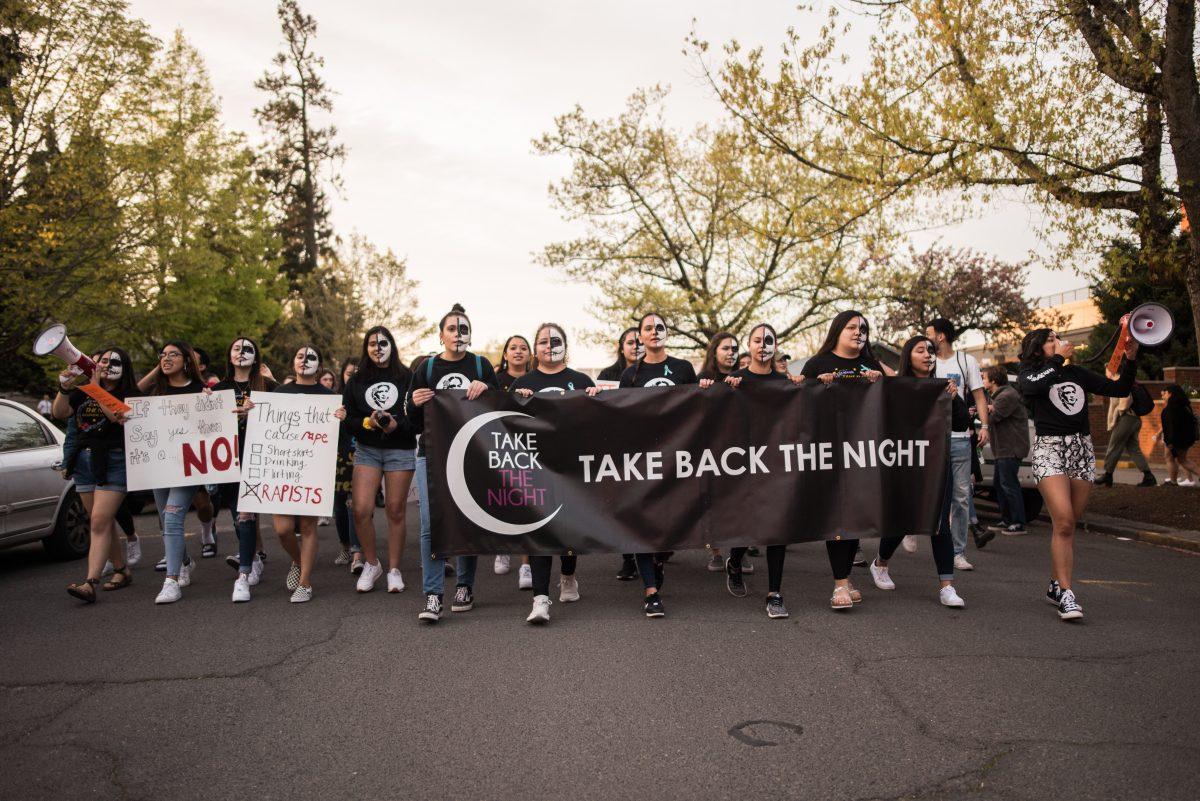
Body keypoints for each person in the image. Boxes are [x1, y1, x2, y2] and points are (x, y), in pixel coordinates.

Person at [1018, 326, 1138, 621]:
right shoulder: (1029, 372)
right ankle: (1067, 595)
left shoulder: (1079, 374)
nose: (1058, 342)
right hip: (1050, 449)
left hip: (1081, 450)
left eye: (1058, 339)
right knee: (1064, 519)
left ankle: (1056, 585)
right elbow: (1032, 388)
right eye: (1051, 340)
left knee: (1069, 525)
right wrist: (1057, 360)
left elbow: (1119, 389)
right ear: (1037, 347)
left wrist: (1131, 359)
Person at [408, 305, 498, 623]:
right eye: (452, 329)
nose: (458, 335)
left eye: (463, 329)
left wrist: (487, 389)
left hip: (470, 454)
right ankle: (433, 595)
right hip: (431, 454)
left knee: (467, 517)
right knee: (431, 523)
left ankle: (464, 585)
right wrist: (414, 404)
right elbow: (412, 419)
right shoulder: (427, 368)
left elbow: (499, 409)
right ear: (441, 335)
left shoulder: (480, 365)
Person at [866, 336, 965, 608]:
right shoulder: (894, 386)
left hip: (935, 463)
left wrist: (954, 399)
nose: (927, 354)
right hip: (901, 461)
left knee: (938, 521)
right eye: (920, 350)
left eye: (931, 350)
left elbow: (962, 422)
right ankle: (880, 563)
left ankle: (947, 586)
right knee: (904, 519)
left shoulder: (944, 387)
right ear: (908, 356)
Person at [247, 345, 346, 602]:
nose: (305, 360)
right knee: (282, 529)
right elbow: (261, 428)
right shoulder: (279, 393)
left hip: (313, 470)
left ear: (320, 365)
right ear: (293, 363)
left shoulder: (329, 397)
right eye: (300, 356)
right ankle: (297, 560)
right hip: (283, 470)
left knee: (308, 526)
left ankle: (305, 583)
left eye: (311, 356)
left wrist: (341, 419)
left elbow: (339, 438)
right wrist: (250, 410)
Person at [800, 310, 884, 611]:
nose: (858, 333)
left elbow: (888, 403)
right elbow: (799, 407)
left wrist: (880, 383)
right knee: (838, 515)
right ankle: (839, 583)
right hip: (828, 451)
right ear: (838, 331)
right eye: (852, 327)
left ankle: (846, 578)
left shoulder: (872, 365)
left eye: (863, 328)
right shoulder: (817, 364)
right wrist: (814, 385)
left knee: (856, 516)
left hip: (863, 452)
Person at [511, 323, 593, 623]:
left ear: (565, 346)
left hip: (571, 468)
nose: (549, 345)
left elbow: (595, 422)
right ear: (536, 349)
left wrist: (595, 399)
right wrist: (516, 400)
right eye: (543, 341)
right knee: (540, 532)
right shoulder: (524, 381)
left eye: (555, 340)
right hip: (536, 468)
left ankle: (568, 576)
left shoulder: (580, 380)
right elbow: (508, 424)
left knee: (568, 531)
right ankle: (540, 598)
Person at [618, 311, 698, 618]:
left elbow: (698, 408)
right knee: (641, 522)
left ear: (667, 333)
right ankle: (651, 592)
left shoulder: (683, 368)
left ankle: (660, 558)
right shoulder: (630, 375)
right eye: (648, 328)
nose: (654, 332)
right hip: (642, 458)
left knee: (671, 520)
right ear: (640, 336)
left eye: (659, 327)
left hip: (678, 456)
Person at [718, 324, 791, 618]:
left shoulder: (785, 381)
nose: (763, 345)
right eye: (757, 340)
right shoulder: (735, 380)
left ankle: (774, 593)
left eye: (769, 340)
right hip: (742, 463)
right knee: (748, 522)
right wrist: (718, 389)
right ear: (749, 346)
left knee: (777, 526)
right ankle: (735, 560)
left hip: (776, 463)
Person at [56, 348, 136, 603]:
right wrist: (65, 388)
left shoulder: (131, 394)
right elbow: (59, 413)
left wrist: (95, 386)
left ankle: (90, 582)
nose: (107, 365)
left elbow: (116, 416)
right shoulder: (83, 392)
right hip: (84, 461)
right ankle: (122, 569)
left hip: (114, 461)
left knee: (100, 520)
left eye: (115, 362)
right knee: (101, 521)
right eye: (103, 361)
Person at [344, 326, 416, 594]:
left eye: (382, 343)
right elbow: (347, 419)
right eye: (372, 344)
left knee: (395, 510)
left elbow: (417, 418)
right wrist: (367, 421)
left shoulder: (408, 376)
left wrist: (396, 426)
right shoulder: (357, 380)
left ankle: (394, 570)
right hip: (367, 450)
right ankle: (372, 563)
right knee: (361, 509)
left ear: (392, 345)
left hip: (400, 449)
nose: (377, 348)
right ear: (366, 348)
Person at [137, 341, 205, 604]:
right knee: (166, 523)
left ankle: (171, 580)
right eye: (162, 355)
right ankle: (185, 560)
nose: (166, 359)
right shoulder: (155, 391)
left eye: (173, 355)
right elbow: (131, 394)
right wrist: (159, 369)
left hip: (187, 468)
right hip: (159, 465)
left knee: (173, 517)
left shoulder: (200, 390)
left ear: (187, 360)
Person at [212, 337, 276, 602]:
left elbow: (290, 412)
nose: (241, 353)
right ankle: (254, 557)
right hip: (228, 460)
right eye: (236, 348)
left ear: (256, 356)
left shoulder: (269, 386)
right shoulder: (217, 390)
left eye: (247, 349)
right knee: (238, 515)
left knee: (246, 515)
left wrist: (258, 412)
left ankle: (243, 575)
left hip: (258, 458)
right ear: (229, 355)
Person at [925, 318, 992, 569]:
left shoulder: (966, 362)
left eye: (929, 333)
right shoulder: (926, 362)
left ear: (940, 336)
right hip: (932, 439)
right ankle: (908, 533)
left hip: (961, 438)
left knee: (962, 496)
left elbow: (979, 395)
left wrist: (983, 426)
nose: (926, 337)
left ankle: (957, 551)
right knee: (927, 491)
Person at [597, 326, 643, 580]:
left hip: (648, 445)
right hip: (619, 446)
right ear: (621, 346)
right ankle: (628, 558)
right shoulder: (607, 374)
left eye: (639, 342)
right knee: (624, 503)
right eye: (630, 342)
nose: (635, 346)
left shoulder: (648, 373)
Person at [696, 331, 742, 573]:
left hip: (740, 448)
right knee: (714, 503)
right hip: (713, 449)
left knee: (739, 501)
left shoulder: (744, 376)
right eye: (726, 348)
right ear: (715, 351)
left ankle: (738, 551)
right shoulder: (704, 377)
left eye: (735, 349)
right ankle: (716, 551)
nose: (731, 353)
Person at [982, 365, 1029, 535]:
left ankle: (1018, 522)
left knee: (1009, 485)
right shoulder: (997, 395)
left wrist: (983, 411)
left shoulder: (1007, 396)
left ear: (993, 380)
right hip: (1003, 448)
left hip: (1010, 447)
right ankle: (1007, 519)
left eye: (984, 378)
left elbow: (991, 418)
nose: (982, 381)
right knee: (1000, 485)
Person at [1095, 378, 1157, 487]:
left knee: (1114, 445)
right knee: (1133, 449)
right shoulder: (1128, 382)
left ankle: (1107, 474)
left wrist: (1117, 416)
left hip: (1126, 417)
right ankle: (1149, 476)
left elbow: (1125, 401)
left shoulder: (1120, 382)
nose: (1106, 373)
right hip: (1135, 418)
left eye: (1107, 370)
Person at [333, 357, 362, 566]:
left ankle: (357, 551)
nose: (353, 377)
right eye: (349, 373)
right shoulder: (333, 399)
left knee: (357, 506)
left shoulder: (367, 399)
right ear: (342, 375)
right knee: (340, 507)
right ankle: (345, 545)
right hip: (336, 461)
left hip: (360, 458)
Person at [1156, 384, 1199, 486]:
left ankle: (1173, 481)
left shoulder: (1169, 410)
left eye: (1165, 394)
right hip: (1187, 438)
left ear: (1170, 394)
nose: (1163, 396)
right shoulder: (1185, 406)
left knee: (1169, 458)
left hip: (1175, 439)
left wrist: (1169, 442)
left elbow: (1170, 427)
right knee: (1182, 460)